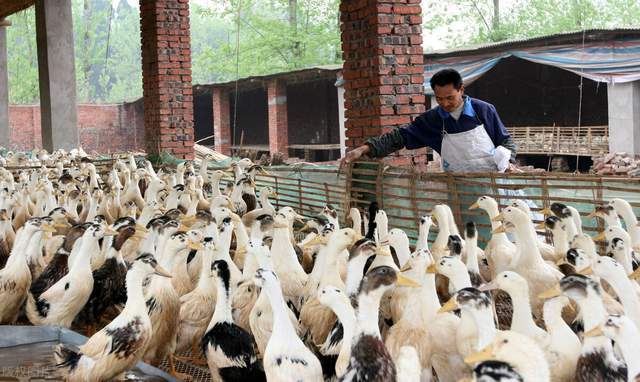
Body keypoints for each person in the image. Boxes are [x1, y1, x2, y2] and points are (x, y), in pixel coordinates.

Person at [339, 68, 518, 173]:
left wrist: (508, 162)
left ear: (461, 90)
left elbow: (505, 141)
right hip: (458, 187)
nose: (445, 103)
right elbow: (400, 137)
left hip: (494, 181)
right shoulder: (432, 120)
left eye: (450, 97)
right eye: (439, 99)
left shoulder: (483, 110)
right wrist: (364, 149)